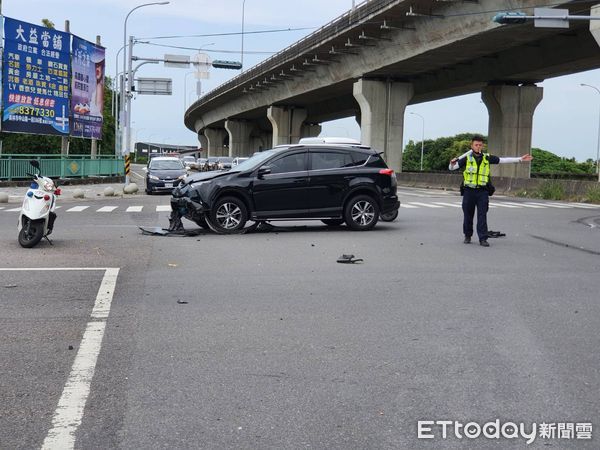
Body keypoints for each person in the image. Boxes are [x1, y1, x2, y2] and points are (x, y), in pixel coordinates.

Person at [448, 136, 533, 247]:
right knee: (468, 215)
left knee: (482, 215)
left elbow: (503, 160)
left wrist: (520, 159)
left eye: (480, 145)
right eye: (476, 145)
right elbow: (451, 168)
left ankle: (483, 238)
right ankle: (467, 236)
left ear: (482, 146)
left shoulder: (487, 158)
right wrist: (452, 163)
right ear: (472, 146)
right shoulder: (466, 158)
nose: (478, 147)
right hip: (469, 191)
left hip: (482, 192)